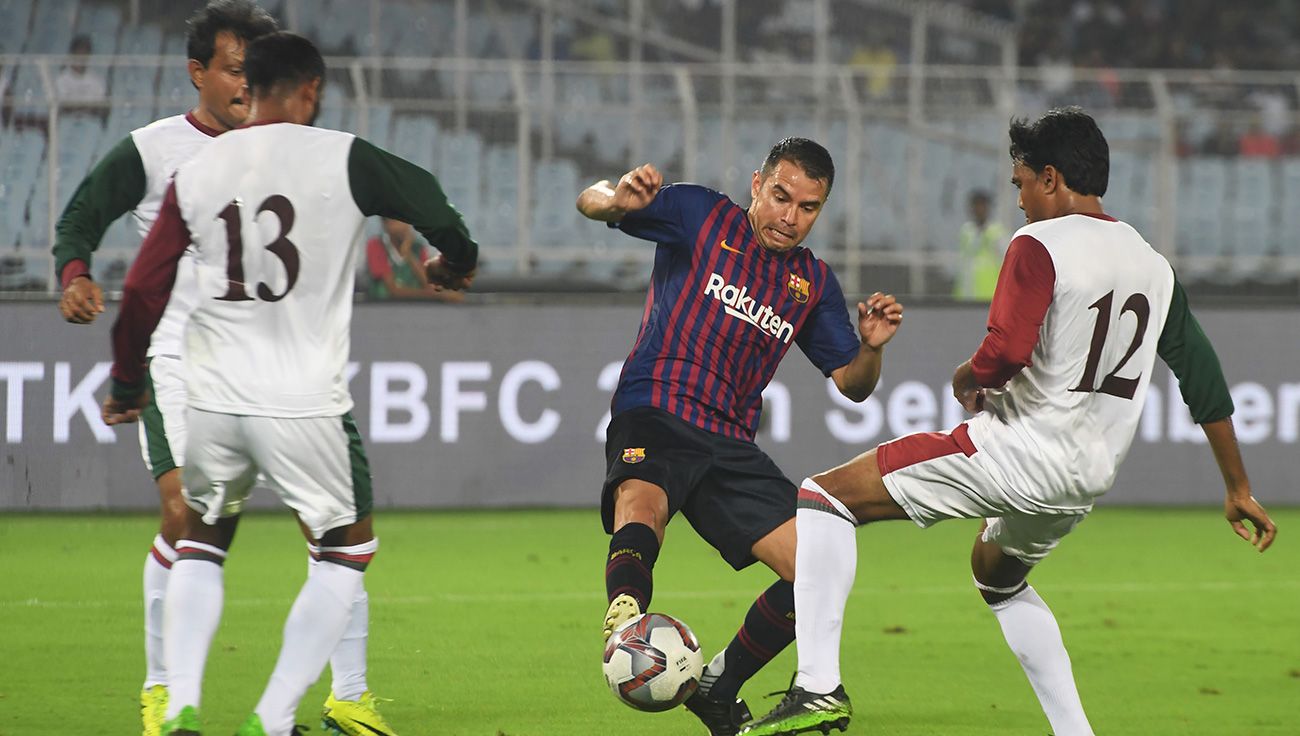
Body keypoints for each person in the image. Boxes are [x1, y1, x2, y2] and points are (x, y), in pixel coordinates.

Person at [740, 107, 1278, 736]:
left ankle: (817, 689)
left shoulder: (1038, 245)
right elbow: (1204, 378)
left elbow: (1005, 354)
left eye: (1021, 181)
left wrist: (965, 379)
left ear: (1050, 178)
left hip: (1016, 453)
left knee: (823, 495)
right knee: (996, 576)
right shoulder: (1153, 265)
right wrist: (1237, 486)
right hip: (1084, 480)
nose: (1017, 199)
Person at [101, 31, 477, 736]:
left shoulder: (201, 170)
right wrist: (457, 258)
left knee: (204, 539)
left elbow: (144, 290)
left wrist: (127, 381)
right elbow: (427, 197)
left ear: (251, 86)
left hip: (211, 398)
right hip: (303, 398)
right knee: (346, 547)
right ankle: (272, 719)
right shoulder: (344, 156)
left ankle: (180, 702)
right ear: (308, 91)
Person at [48, 6, 409, 736]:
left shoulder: (302, 153)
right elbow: (82, 212)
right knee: (186, 515)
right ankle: (164, 697)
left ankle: (350, 697)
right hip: (181, 361)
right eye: (235, 67)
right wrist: (75, 272)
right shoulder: (155, 150)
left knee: (330, 529)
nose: (248, 82)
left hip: (282, 367)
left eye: (257, 68)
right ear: (199, 74)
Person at [576, 139, 904, 736]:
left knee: (817, 572)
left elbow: (853, 386)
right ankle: (625, 614)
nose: (790, 217)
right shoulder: (700, 216)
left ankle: (718, 686)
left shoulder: (811, 283)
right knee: (643, 503)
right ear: (758, 184)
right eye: (781, 197)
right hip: (656, 406)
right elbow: (591, 200)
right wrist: (614, 199)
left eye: (808, 207)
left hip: (728, 442)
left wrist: (871, 350)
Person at [366, 217, 464, 302]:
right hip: (382, 310)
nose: (404, 226)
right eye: (397, 221)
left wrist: (409, 255)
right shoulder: (376, 246)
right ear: (386, 225)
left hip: (414, 311)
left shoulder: (418, 247)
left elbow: (428, 284)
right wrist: (438, 296)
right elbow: (394, 291)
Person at [952, 189, 1007, 302]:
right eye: (975, 206)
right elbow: (963, 265)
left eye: (982, 206)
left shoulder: (997, 233)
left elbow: (1008, 264)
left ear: (988, 208)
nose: (979, 209)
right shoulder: (966, 232)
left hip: (991, 297)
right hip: (967, 297)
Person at [55, 35, 108, 108]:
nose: (82, 57)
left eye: (85, 53)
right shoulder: (61, 79)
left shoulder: (97, 80)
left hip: (91, 118)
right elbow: (61, 106)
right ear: (72, 54)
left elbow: (100, 106)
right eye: (79, 52)